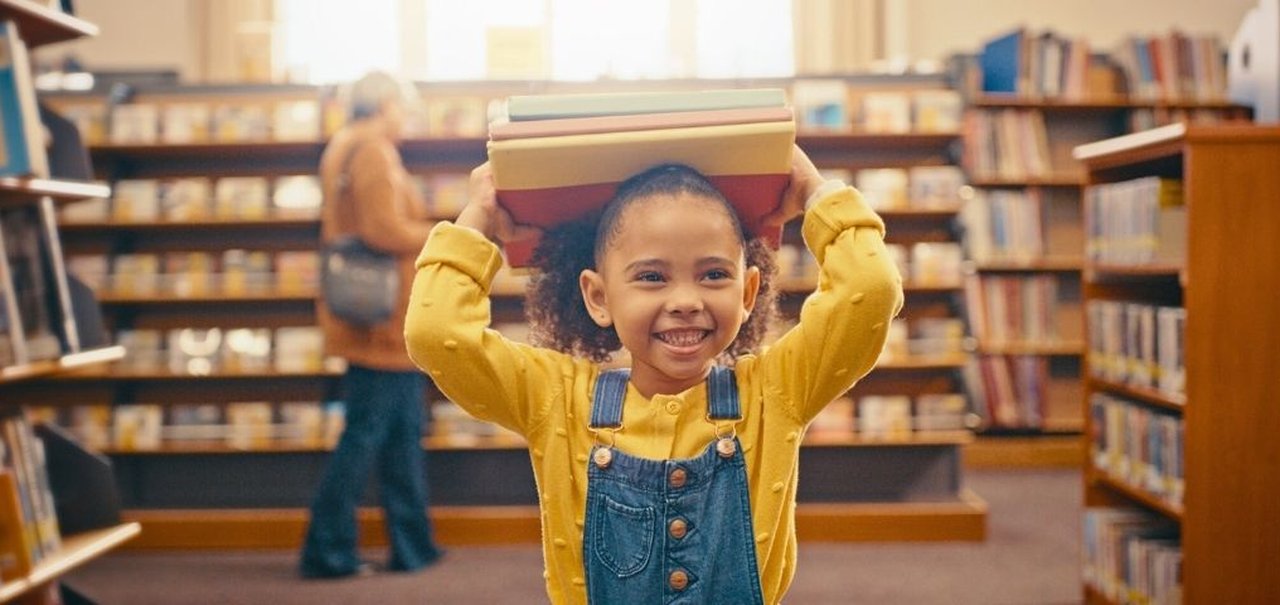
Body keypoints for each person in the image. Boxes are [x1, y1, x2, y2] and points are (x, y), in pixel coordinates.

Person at [405, 146, 903, 603]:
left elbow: (871, 291)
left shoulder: (775, 391)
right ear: (599, 297)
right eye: (651, 277)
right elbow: (435, 332)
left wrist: (815, 191)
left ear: (748, 293)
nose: (685, 301)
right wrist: (479, 219)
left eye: (713, 274)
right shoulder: (556, 397)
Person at [299, 71, 443, 579]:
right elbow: (382, 230)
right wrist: (441, 235)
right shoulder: (373, 150)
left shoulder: (342, 144)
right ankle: (326, 549)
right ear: (384, 103)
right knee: (367, 437)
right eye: (403, 111)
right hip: (381, 322)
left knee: (397, 434)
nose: (405, 123)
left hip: (372, 319)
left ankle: (413, 544)